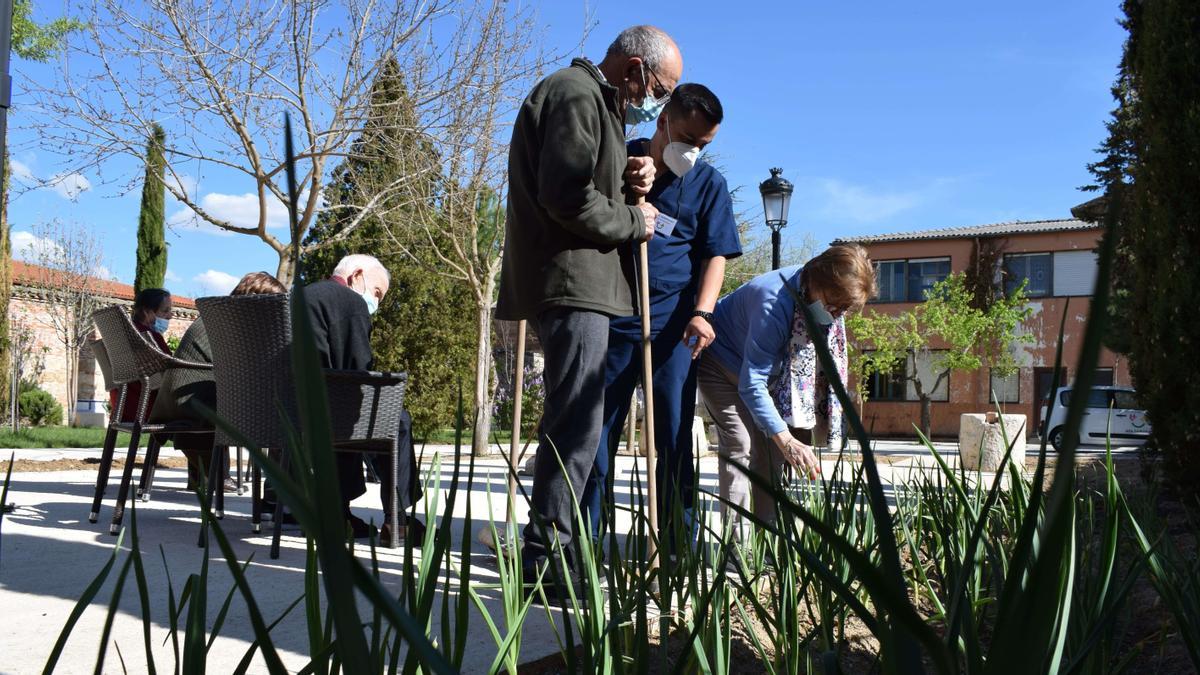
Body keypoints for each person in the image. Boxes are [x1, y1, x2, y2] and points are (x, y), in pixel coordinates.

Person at [495, 25, 682, 594]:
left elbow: (587, 179)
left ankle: (558, 553)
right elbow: (566, 193)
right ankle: (548, 561)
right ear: (633, 69)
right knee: (576, 423)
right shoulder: (575, 94)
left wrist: (633, 171)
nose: (660, 102)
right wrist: (636, 220)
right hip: (573, 283)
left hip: (582, 283)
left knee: (576, 421)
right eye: (661, 88)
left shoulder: (597, 104)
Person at [580, 83, 742, 548]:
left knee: (672, 434)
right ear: (663, 120)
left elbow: (716, 254)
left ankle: (674, 543)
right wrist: (626, 187)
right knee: (599, 433)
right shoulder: (621, 158)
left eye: (703, 145)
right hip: (612, 317)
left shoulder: (709, 185)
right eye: (688, 139)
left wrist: (703, 313)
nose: (692, 151)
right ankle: (588, 540)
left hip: (672, 327)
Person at [698, 244, 877, 533]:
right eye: (836, 303)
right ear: (818, 282)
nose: (838, 313)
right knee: (739, 445)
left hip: (769, 377)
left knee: (772, 453)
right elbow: (751, 381)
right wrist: (788, 439)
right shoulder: (774, 303)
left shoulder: (820, 303)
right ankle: (736, 548)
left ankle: (766, 538)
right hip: (721, 363)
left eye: (846, 308)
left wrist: (786, 439)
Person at [303, 254, 422, 541]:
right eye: (377, 293)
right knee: (395, 418)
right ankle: (397, 518)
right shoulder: (348, 301)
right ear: (357, 276)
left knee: (346, 410)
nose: (376, 304)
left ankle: (337, 514)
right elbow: (358, 370)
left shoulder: (296, 297)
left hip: (283, 411)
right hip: (323, 410)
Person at [148, 272, 287, 491]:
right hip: (193, 402)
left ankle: (203, 472)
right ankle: (278, 492)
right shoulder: (234, 322)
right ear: (258, 300)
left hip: (176, 398)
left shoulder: (218, 316)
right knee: (283, 414)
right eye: (273, 304)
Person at [109, 288, 173, 424]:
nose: (170, 315)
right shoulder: (148, 338)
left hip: (122, 406)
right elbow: (173, 370)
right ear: (147, 312)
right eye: (165, 311)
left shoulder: (123, 336)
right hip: (147, 407)